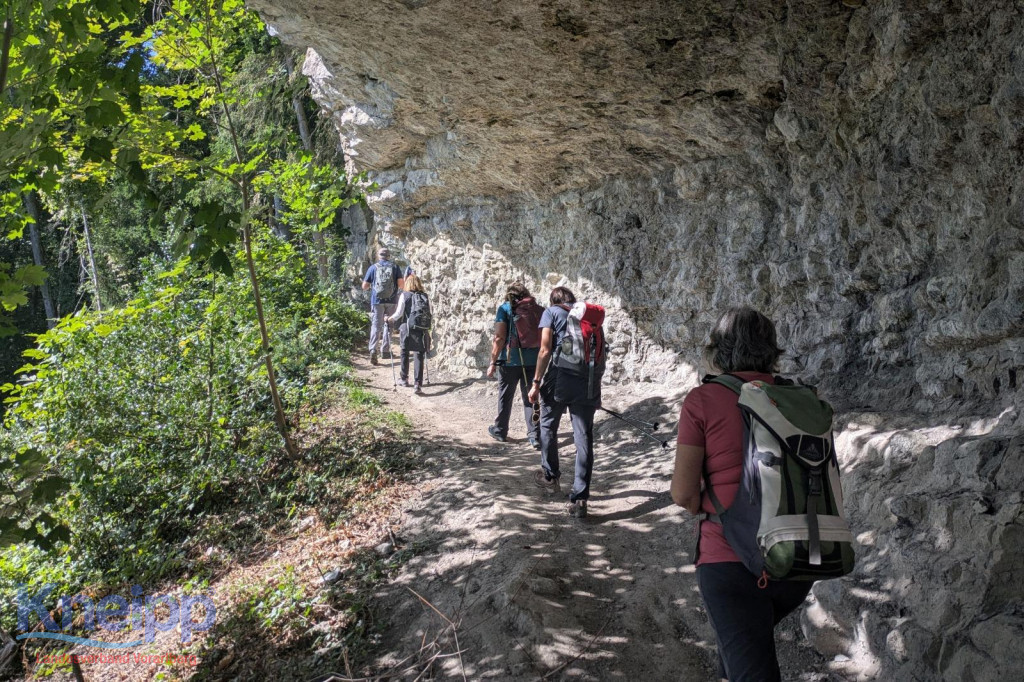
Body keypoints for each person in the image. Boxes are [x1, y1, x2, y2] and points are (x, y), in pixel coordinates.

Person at [670, 307, 813, 682]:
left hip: (732, 561)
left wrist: (713, 498)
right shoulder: (802, 399)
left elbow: (683, 494)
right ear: (771, 351)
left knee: (749, 657)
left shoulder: (703, 400)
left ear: (718, 350)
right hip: (798, 557)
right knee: (741, 646)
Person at [527, 286, 602, 518]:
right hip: (587, 381)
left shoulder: (551, 312)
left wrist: (536, 383)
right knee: (583, 437)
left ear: (553, 300)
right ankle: (580, 498)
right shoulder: (586, 318)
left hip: (559, 378)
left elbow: (544, 349)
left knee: (548, 425)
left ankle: (550, 477)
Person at [486, 283, 543, 447]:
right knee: (531, 397)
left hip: (509, 360)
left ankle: (500, 430)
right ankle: (535, 435)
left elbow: (499, 338)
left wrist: (493, 362)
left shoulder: (504, 309)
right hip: (533, 360)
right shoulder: (538, 310)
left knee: (505, 396)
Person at [387, 274, 430, 394]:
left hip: (407, 328)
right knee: (419, 354)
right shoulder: (424, 296)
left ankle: (404, 379)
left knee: (404, 352)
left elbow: (399, 313)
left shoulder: (404, 295)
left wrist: (389, 319)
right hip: (420, 329)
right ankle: (418, 384)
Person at [361, 248, 403, 365]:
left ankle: (373, 349)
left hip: (377, 300)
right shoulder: (395, 267)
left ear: (379, 256)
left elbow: (364, 286)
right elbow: (401, 284)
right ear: (389, 256)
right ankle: (385, 351)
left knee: (376, 325)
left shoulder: (373, 268)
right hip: (391, 300)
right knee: (389, 324)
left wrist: (373, 287)